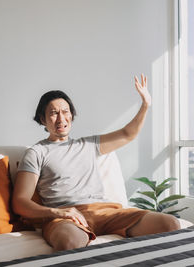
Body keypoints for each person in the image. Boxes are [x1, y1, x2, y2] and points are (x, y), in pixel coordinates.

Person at [12, 74, 180, 251]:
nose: (61, 118)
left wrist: (145, 105)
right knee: (69, 242)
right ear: (42, 119)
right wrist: (56, 212)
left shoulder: (88, 145)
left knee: (170, 224)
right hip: (67, 216)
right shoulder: (36, 153)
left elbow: (127, 134)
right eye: (53, 113)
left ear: (72, 114)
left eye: (65, 111)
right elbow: (20, 201)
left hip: (106, 211)